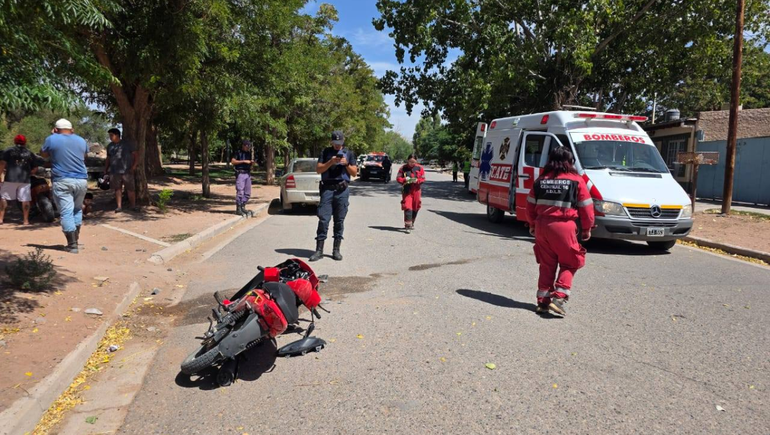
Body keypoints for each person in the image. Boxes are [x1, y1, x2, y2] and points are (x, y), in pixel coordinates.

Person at [526, 147, 595, 316]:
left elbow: (530, 205)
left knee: (547, 264)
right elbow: (586, 207)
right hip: (564, 226)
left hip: (542, 225)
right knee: (571, 262)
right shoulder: (576, 180)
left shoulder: (540, 180)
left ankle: (542, 302)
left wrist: (532, 224)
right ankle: (559, 298)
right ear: (570, 161)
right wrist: (587, 228)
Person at [41, 119, 88, 254]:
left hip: (62, 180)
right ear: (71, 129)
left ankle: (72, 245)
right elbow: (84, 156)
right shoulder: (81, 140)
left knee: (66, 211)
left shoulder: (52, 139)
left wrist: (53, 136)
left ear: (56, 129)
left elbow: (43, 154)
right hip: (81, 180)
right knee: (77, 209)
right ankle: (76, 239)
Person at [309, 130, 357, 262]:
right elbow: (319, 169)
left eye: (339, 142)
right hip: (327, 190)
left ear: (343, 141)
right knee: (323, 220)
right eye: (335, 142)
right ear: (331, 142)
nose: (337, 145)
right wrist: (330, 162)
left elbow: (354, 173)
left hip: (342, 191)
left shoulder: (349, 153)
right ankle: (319, 250)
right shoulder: (325, 152)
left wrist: (346, 163)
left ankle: (336, 250)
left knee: (339, 220)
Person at [0, 135, 45, 225]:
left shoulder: (8, 151)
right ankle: (25, 220)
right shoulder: (29, 153)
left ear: (15, 141)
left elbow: (2, 163)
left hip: (10, 178)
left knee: (4, 198)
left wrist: (0, 174)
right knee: (25, 199)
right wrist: (30, 173)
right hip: (25, 179)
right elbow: (35, 168)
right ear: (25, 142)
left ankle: (1, 219)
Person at [104, 128, 138, 212]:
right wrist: (106, 169)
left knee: (130, 189)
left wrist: (134, 166)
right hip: (114, 172)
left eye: (112, 135)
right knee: (117, 189)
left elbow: (136, 155)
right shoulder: (110, 146)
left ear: (117, 135)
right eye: (109, 135)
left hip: (127, 171)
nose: (110, 137)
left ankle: (133, 206)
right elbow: (108, 158)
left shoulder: (127, 144)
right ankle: (119, 207)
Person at [396, 155, 426, 233]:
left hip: (416, 190)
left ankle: (412, 221)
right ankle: (407, 225)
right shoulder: (403, 168)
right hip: (407, 190)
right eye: (410, 162)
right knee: (408, 206)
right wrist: (404, 180)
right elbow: (398, 178)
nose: (412, 163)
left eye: (414, 162)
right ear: (407, 160)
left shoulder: (420, 168)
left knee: (416, 206)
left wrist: (417, 181)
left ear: (416, 162)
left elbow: (423, 178)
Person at [230, 139, 254, 216]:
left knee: (247, 193)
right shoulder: (238, 152)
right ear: (243, 145)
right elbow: (233, 161)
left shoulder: (248, 153)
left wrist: (251, 163)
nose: (248, 147)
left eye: (249, 146)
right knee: (240, 191)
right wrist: (243, 161)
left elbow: (249, 163)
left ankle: (243, 206)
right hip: (240, 173)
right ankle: (238, 208)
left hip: (247, 173)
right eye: (247, 146)